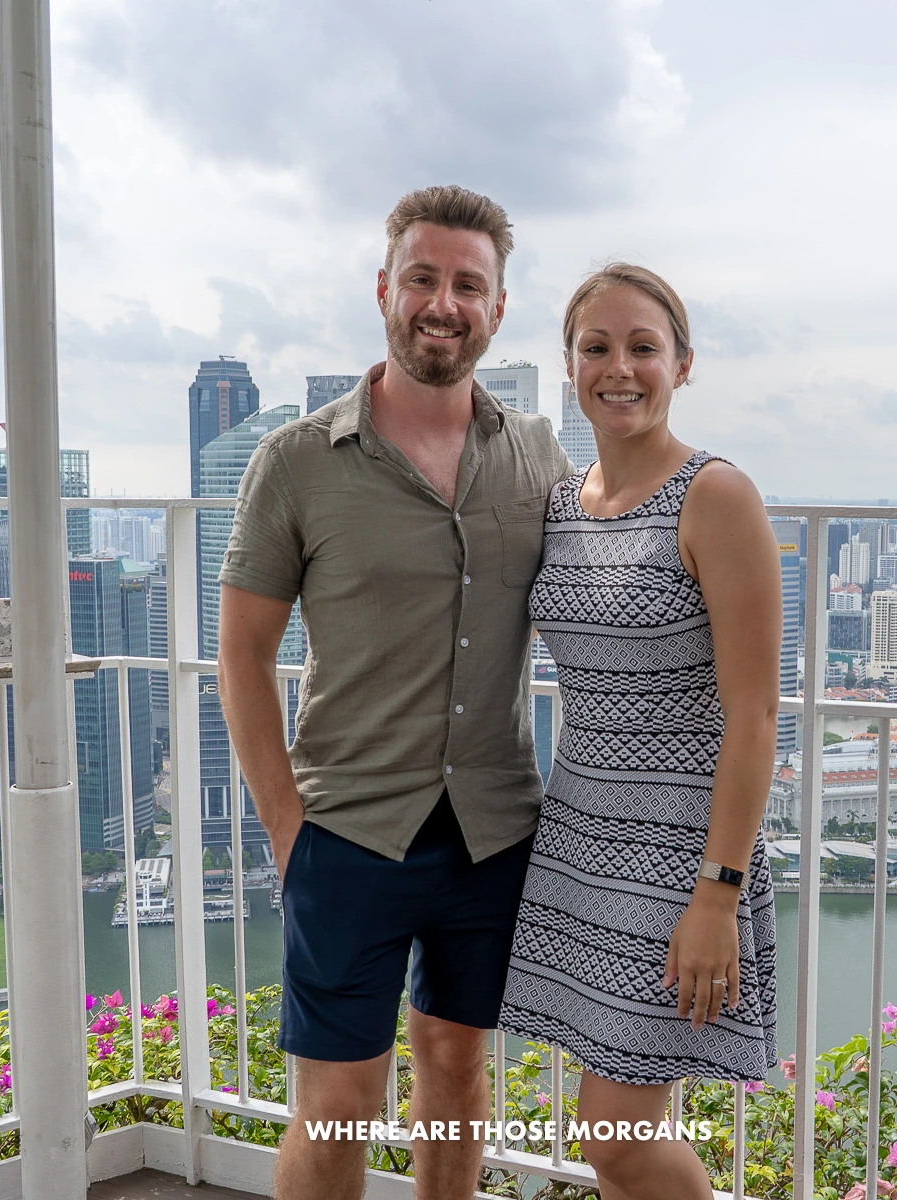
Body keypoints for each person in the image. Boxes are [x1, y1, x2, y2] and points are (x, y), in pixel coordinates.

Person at [217, 185, 571, 1200]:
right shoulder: (295, 462)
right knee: (336, 1105)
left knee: (458, 1076)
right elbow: (241, 653)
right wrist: (287, 826)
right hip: (349, 833)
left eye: (469, 285)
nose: (443, 303)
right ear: (385, 289)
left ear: (497, 310)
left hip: (492, 831)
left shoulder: (536, 456)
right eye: (423, 278)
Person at [497, 263, 782, 1200]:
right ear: (570, 365)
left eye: (644, 347)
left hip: (679, 863)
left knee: (615, 1137)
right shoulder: (561, 502)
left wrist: (718, 894)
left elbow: (755, 716)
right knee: (612, 1134)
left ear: (683, 365)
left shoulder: (716, 495)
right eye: (597, 347)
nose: (620, 368)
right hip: (582, 846)